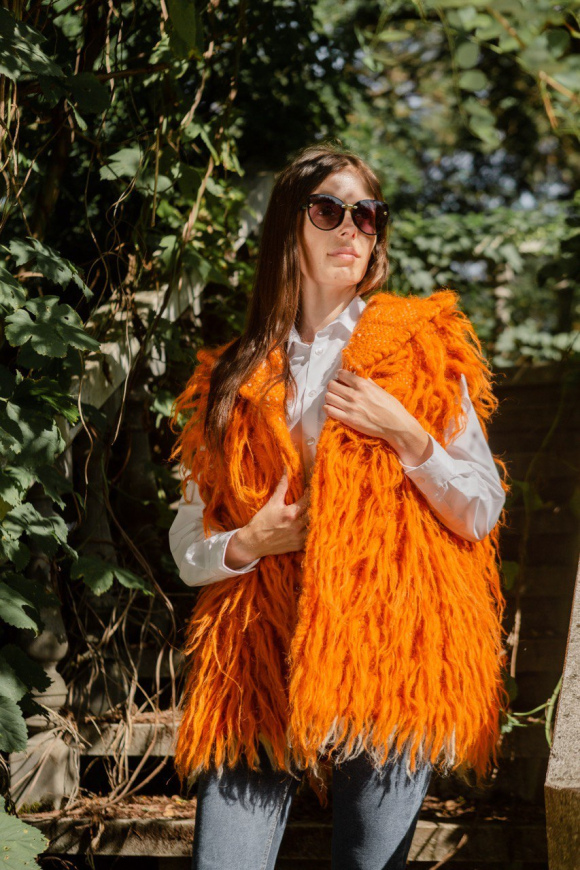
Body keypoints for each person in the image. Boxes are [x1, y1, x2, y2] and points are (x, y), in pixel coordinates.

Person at [168, 143, 510, 870]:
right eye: (329, 210)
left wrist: (408, 433)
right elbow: (187, 543)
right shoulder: (233, 374)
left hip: (389, 650)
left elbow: (481, 507)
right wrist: (249, 542)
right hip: (256, 657)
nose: (351, 228)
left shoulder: (419, 347)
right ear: (289, 228)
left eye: (367, 214)